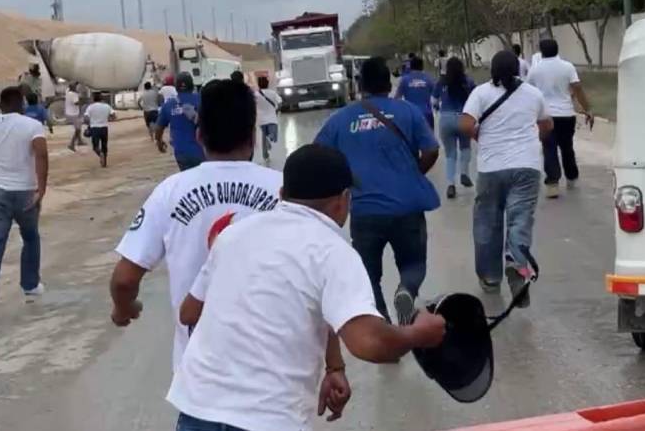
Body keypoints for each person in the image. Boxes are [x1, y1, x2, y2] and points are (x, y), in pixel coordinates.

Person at [167, 144, 446, 431]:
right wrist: (419, 334)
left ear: (281, 195)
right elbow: (369, 342)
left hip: (197, 407)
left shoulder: (233, 234)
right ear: (343, 201)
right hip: (269, 417)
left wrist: (333, 365)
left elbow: (189, 312)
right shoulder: (334, 252)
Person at [109, 79, 282, 371]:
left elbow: (125, 279)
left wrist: (123, 310)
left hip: (200, 379)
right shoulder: (284, 190)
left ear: (200, 136)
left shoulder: (170, 192)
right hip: (273, 374)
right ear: (253, 137)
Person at [315, 56, 440, 325]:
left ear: (360, 86)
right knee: (414, 264)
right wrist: (414, 173)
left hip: (364, 210)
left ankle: (382, 325)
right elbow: (431, 149)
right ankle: (406, 290)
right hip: (408, 206)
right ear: (388, 82)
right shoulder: (408, 112)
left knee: (368, 274)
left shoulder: (340, 119)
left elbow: (318, 156)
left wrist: (343, 184)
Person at [460, 51, 553, 305]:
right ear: (517, 69)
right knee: (520, 217)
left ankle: (490, 277)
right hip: (527, 166)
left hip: (491, 167)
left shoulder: (480, 93)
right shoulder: (533, 94)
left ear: (492, 69)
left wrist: (480, 136)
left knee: (488, 222)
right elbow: (547, 125)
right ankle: (516, 261)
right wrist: (533, 142)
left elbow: (466, 125)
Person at [0, 87, 49, 332]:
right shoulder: (31, 125)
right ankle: (30, 285)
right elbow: (41, 154)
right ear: (21, 105)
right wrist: (41, 188)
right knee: (30, 237)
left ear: (0, 105)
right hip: (25, 192)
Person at [526, 39, 593, 198]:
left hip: (545, 116)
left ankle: (553, 183)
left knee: (549, 148)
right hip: (566, 114)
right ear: (557, 49)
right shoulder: (567, 67)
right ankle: (571, 177)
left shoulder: (535, 70)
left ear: (541, 51)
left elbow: (528, 92)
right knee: (567, 147)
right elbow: (577, 89)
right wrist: (587, 109)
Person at [433, 57, 475, 197]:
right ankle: (464, 173)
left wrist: (438, 108)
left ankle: (451, 184)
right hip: (464, 117)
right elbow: (476, 99)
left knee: (450, 154)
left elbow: (434, 100)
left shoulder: (441, 82)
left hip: (446, 119)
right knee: (465, 147)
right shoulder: (468, 82)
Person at [156, 73, 205, 171]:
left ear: (176, 87)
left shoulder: (169, 105)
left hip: (181, 153)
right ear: (192, 85)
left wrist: (159, 142)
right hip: (203, 152)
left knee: (188, 182)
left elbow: (159, 127)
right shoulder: (202, 99)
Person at [395, 56, 437, 130]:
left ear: (410, 66)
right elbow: (435, 96)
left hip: (410, 114)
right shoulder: (429, 78)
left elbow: (397, 98)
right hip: (427, 113)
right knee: (428, 138)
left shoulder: (404, 80)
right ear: (422, 66)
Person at [84, 92, 115, 168]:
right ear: (101, 98)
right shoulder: (106, 106)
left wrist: (89, 125)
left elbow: (86, 118)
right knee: (104, 145)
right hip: (104, 128)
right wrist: (108, 119)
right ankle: (104, 162)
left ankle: (100, 154)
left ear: (93, 99)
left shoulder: (90, 107)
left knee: (95, 147)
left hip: (95, 128)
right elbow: (113, 116)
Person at [255, 76, 282, 164]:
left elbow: (252, 104)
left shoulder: (256, 94)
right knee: (273, 136)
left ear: (258, 84)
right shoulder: (273, 93)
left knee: (264, 137)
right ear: (267, 83)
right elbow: (280, 102)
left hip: (261, 119)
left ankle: (265, 156)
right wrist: (277, 110)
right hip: (272, 118)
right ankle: (268, 142)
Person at [65, 82, 85, 151]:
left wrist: (77, 81)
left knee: (78, 127)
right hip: (74, 113)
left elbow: (72, 85)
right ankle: (71, 144)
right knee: (78, 129)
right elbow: (76, 103)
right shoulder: (74, 94)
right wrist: (84, 101)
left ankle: (80, 141)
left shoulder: (67, 91)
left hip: (69, 112)